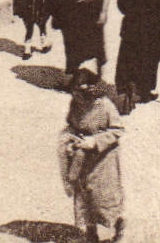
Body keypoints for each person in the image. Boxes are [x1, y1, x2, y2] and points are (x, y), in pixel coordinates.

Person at [58, 69, 125, 243]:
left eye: (84, 85)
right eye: (77, 85)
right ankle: (91, 233)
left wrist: (95, 141)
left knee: (104, 197)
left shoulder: (105, 105)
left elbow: (118, 130)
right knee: (84, 195)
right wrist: (70, 139)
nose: (80, 89)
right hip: (82, 158)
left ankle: (117, 226)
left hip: (104, 159)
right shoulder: (75, 104)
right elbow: (71, 124)